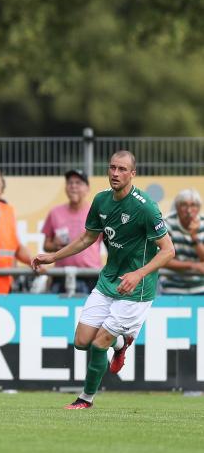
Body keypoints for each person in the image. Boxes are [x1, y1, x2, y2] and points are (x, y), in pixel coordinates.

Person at [32, 150, 174, 409]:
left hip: (136, 288)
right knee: (81, 342)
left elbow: (168, 250)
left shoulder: (145, 207)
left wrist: (138, 273)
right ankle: (121, 343)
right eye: (112, 168)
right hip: (108, 280)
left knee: (99, 343)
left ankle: (85, 399)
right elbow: (87, 239)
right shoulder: (101, 201)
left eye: (122, 169)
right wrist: (53, 255)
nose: (115, 173)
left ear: (133, 174)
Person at [41, 169, 102, 294]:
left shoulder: (98, 212)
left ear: (87, 188)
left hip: (90, 274)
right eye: (70, 183)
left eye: (78, 183)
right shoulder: (55, 212)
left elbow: (111, 243)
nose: (73, 186)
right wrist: (55, 245)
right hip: (61, 274)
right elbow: (46, 245)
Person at [161, 189, 204, 295]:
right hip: (172, 286)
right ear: (177, 207)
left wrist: (194, 237)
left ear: (199, 208)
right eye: (184, 205)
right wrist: (193, 265)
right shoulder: (167, 224)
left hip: (200, 287)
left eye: (193, 205)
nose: (189, 210)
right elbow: (162, 259)